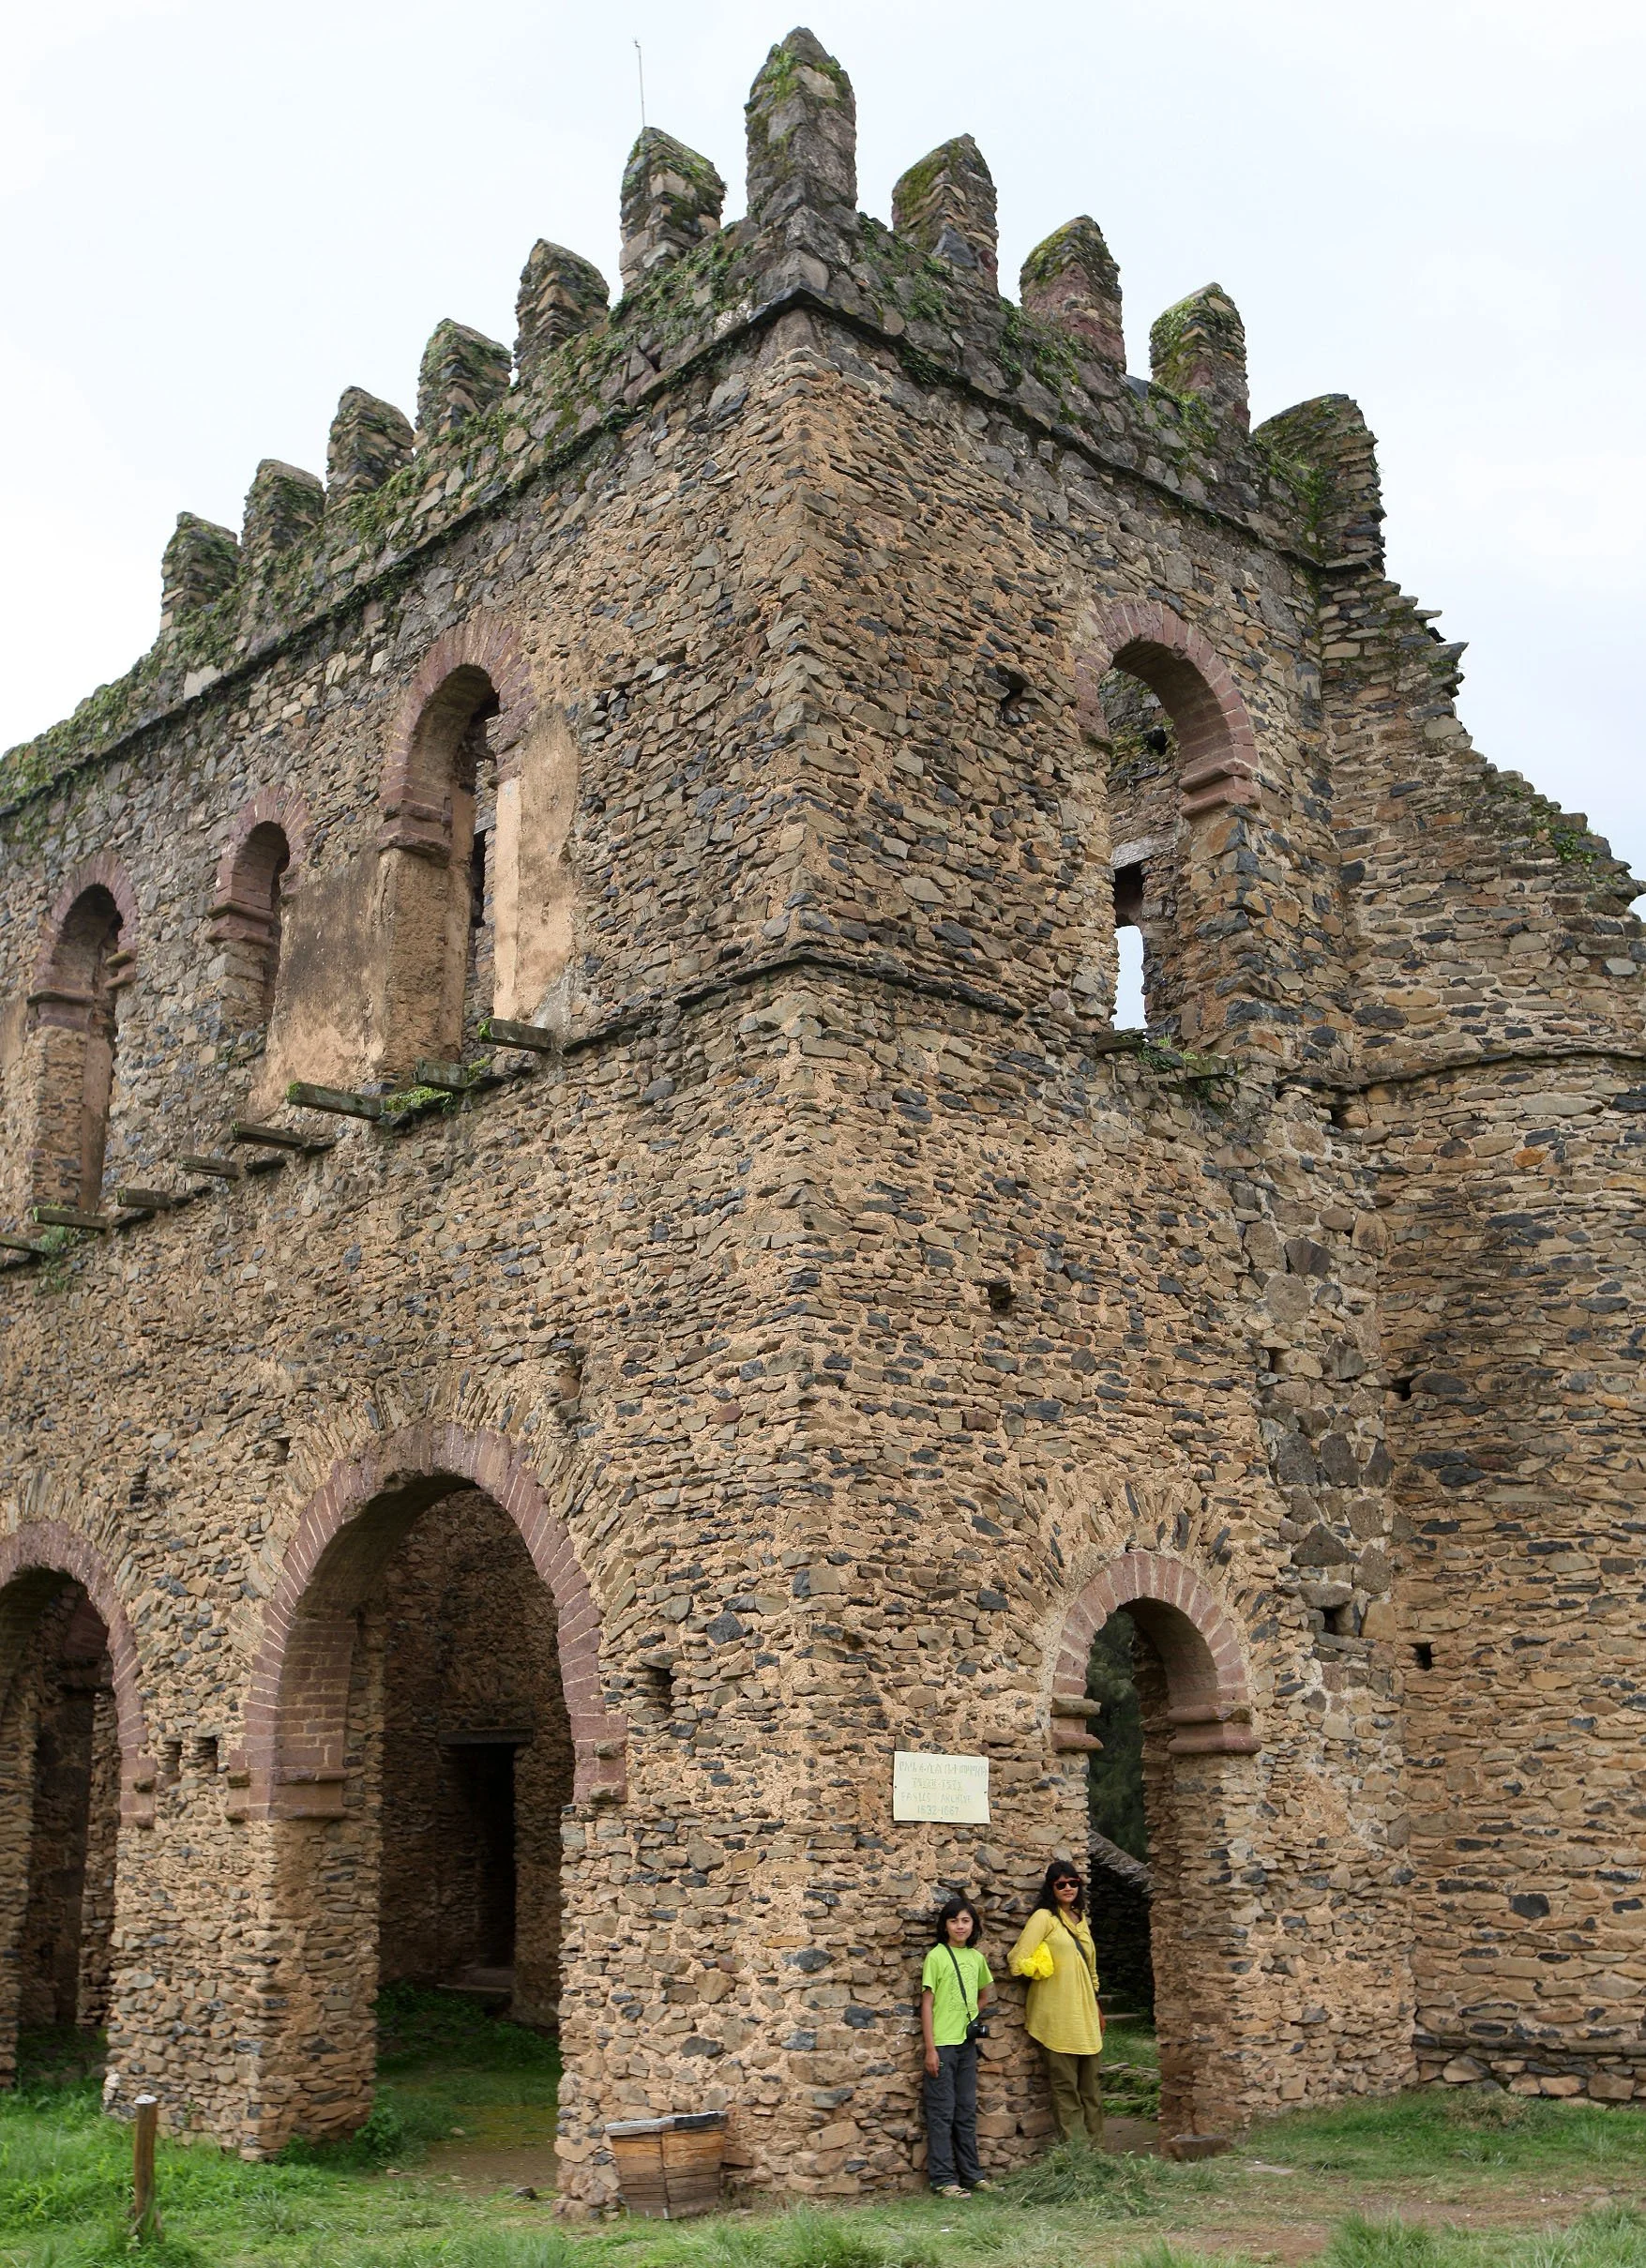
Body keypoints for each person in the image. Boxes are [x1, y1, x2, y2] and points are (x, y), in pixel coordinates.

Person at [1008, 1860, 1104, 2147]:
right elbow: (1016, 1960)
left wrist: (1098, 2007)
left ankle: (1098, 2153)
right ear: (1051, 1888)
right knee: (1066, 2090)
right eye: (1061, 1884)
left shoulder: (1080, 1918)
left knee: (1092, 2090)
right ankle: (1078, 2155)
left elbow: (1092, 1970)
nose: (1068, 1888)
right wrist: (1039, 1967)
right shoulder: (1044, 1918)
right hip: (1057, 2016)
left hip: (1085, 2014)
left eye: (1073, 1883)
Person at [920, 1894, 996, 2199]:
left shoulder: (977, 1959)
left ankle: (972, 2175)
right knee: (941, 2113)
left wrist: (971, 2015)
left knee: (965, 2111)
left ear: (973, 1924)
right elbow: (927, 2004)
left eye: (965, 1920)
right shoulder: (936, 1957)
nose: (960, 1926)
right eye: (954, 1921)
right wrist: (930, 2048)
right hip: (942, 2045)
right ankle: (943, 2179)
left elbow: (983, 1996)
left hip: (966, 2045)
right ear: (945, 1926)